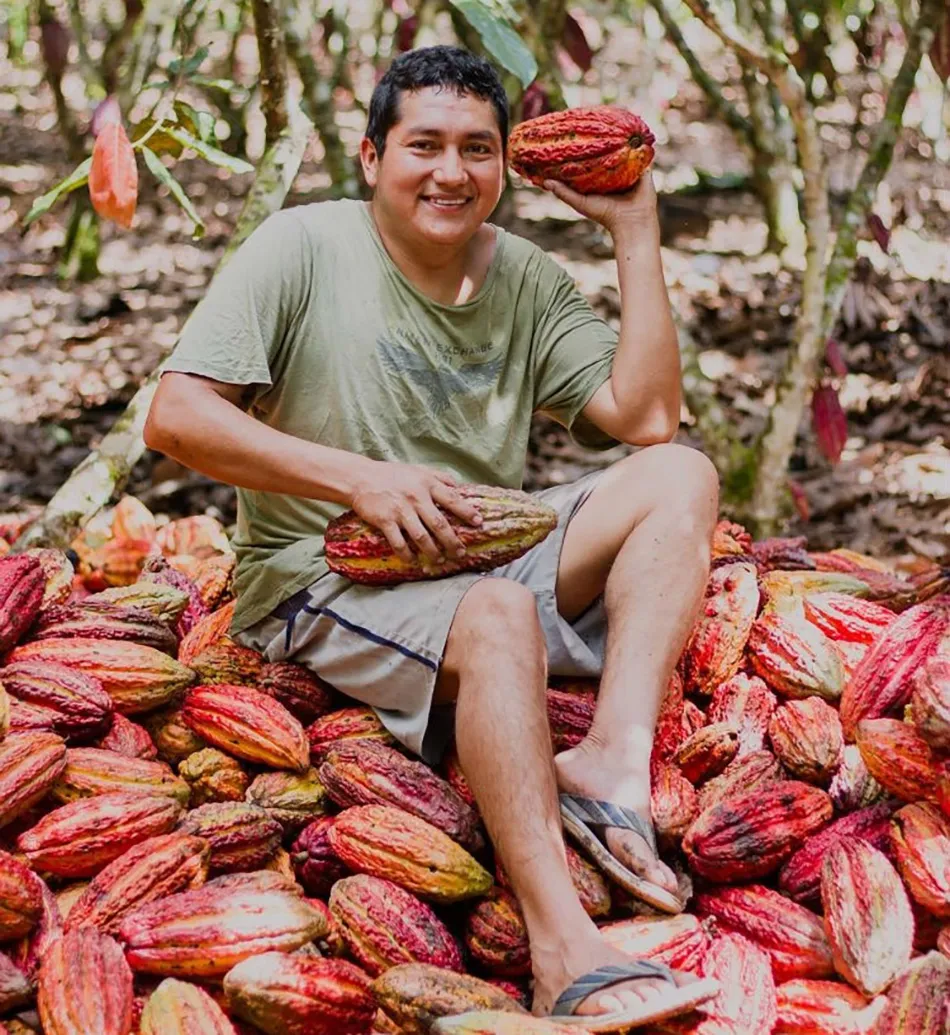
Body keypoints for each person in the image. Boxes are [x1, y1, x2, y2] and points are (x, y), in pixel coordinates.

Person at [144, 44, 721, 1031]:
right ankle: (560, 952)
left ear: (506, 165)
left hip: (467, 550)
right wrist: (355, 479)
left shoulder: (523, 277)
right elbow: (177, 416)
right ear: (371, 158)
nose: (450, 172)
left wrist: (632, 225)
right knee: (496, 613)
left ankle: (614, 762)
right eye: (423, 146)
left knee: (682, 473)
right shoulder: (303, 247)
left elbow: (645, 416)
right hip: (321, 575)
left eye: (475, 150)